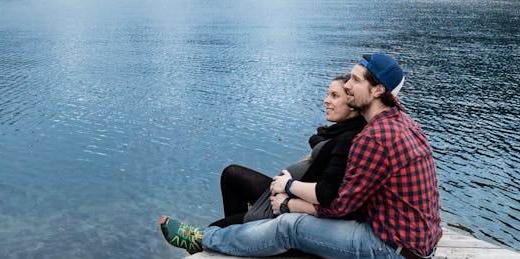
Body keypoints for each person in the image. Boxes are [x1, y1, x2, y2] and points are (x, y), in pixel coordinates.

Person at [160, 53, 442, 259]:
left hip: (390, 249)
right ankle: (219, 240)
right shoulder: (401, 122)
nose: (347, 86)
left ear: (379, 90)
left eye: (356, 80)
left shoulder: (375, 137)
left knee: (289, 228)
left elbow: (339, 206)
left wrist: (289, 203)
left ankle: (203, 239)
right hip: (415, 242)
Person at [210, 74, 367, 228]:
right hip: (286, 193)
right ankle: (239, 232)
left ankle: (240, 231)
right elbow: (319, 142)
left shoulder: (347, 139)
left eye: (334, 96)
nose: (326, 100)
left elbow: (326, 192)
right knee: (231, 175)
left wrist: (288, 187)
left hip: (287, 203)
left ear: (352, 103)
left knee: (215, 229)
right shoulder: (339, 132)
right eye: (328, 94)